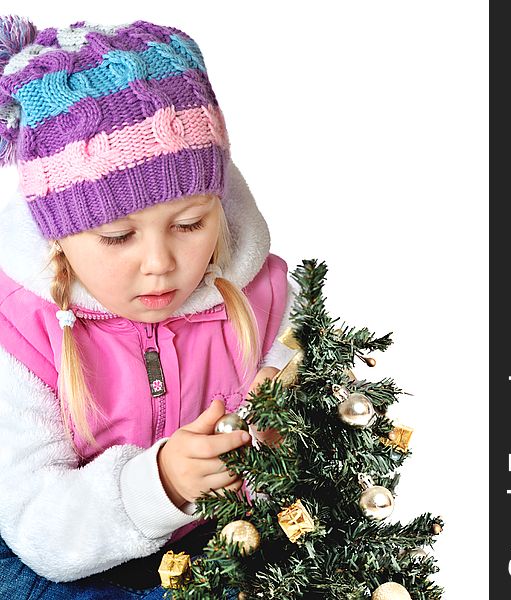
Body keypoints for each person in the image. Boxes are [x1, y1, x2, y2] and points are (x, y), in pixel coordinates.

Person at [0, 16, 298, 599]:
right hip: (56, 551)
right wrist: (158, 484)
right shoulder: (20, 330)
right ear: (58, 234)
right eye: (117, 237)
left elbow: (302, 432)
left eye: (190, 224)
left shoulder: (263, 297)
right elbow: (39, 526)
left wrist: (281, 437)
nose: (160, 263)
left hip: (212, 541)